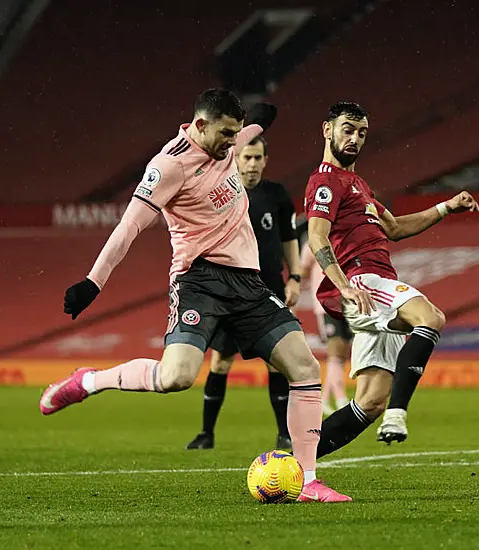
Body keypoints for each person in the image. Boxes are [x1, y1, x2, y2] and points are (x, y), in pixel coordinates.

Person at [39, 88, 350, 503]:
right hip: (198, 281)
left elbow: (248, 130)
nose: (232, 145)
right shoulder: (168, 167)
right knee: (177, 378)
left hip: (248, 282)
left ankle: (308, 481)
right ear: (200, 125)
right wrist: (93, 282)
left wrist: (258, 118)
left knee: (304, 367)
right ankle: (89, 381)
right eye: (226, 134)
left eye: (235, 134)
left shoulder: (227, 140)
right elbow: (129, 226)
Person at [304, 101, 479, 457]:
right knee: (431, 318)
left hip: (372, 289)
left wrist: (447, 207)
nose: (354, 138)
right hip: (362, 281)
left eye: (361, 133)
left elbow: (396, 227)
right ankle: (398, 415)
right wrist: (344, 286)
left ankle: (294, 461)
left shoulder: (358, 185)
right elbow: (316, 237)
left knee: (370, 402)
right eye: (347, 130)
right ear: (327, 130)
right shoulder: (326, 181)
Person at [186, 135, 302, 451]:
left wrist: (295, 276)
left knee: (277, 361)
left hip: (268, 289)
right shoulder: (222, 194)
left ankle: (284, 433)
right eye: (246, 158)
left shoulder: (277, 195)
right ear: (236, 158)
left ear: (266, 160)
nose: (252, 164)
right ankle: (206, 433)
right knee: (221, 361)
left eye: (257, 158)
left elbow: (289, 238)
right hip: (229, 291)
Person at [299, 237, 352, 416]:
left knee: (341, 355)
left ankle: (324, 399)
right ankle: (341, 399)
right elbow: (302, 269)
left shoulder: (345, 237)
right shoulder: (314, 240)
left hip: (347, 301)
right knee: (335, 352)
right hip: (326, 303)